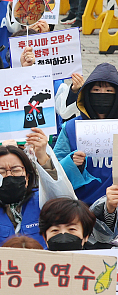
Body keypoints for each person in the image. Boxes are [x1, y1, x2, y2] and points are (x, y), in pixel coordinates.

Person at [54, 63, 118, 206]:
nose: (102, 94)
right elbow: (54, 169)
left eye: (109, 91)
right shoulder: (70, 128)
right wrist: (72, 162)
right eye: (96, 90)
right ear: (87, 94)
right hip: (81, 207)